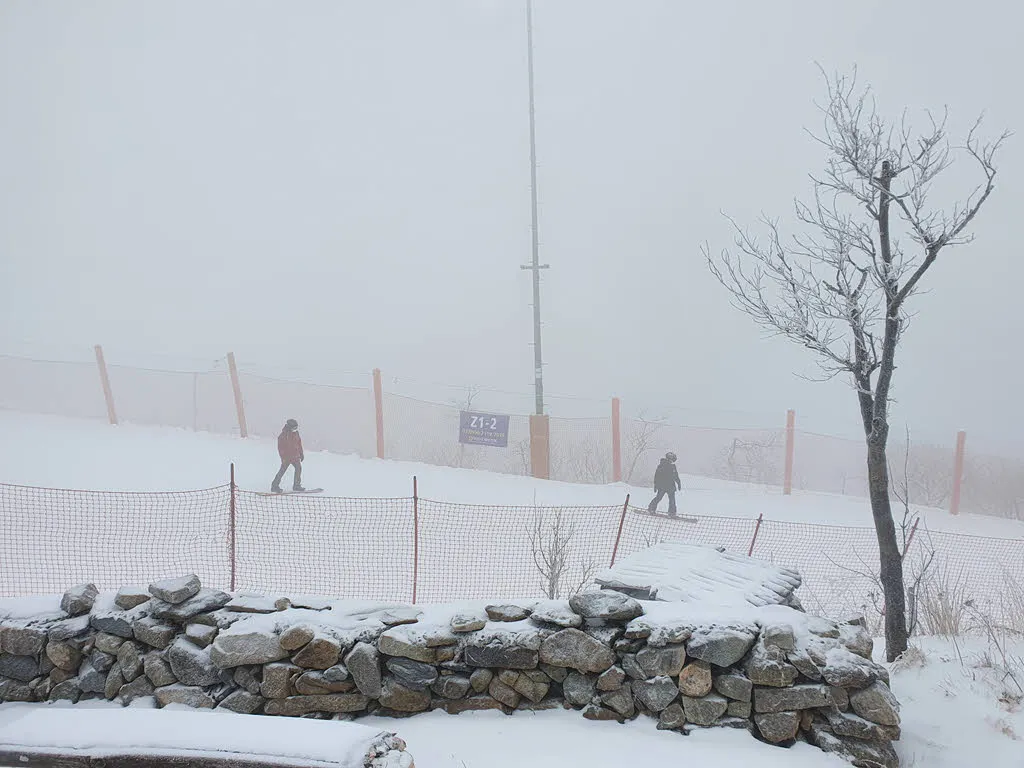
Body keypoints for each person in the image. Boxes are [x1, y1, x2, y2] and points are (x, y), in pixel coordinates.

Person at [271, 419, 305, 493]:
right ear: (289, 427)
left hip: (295, 456)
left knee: (298, 468)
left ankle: (296, 485)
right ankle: (274, 486)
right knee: (282, 471)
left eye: (296, 428)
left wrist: (301, 454)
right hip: (286, 458)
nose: (295, 429)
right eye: (294, 428)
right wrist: (283, 458)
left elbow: (299, 444)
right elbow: (280, 448)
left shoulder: (296, 433)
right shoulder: (283, 436)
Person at [648, 451, 681, 516]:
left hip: (670, 486)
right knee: (659, 498)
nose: (672, 461)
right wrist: (656, 485)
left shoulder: (673, 466)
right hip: (662, 486)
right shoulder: (662, 465)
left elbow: (675, 476)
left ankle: (672, 512)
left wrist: (678, 483)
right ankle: (651, 509)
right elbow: (657, 476)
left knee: (672, 500)